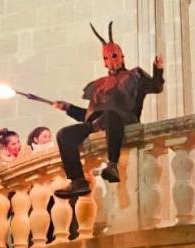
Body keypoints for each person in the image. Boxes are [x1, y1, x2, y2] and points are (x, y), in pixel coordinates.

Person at [52, 22, 164, 198]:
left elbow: (156, 87)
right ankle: (78, 181)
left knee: (110, 115)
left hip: (122, 119)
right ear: (103, 62)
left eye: (114, 56)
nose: (111, 61)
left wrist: (158, 70)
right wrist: (68, 108)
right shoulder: (98, 85)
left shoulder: (135, 76)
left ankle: (112, 164)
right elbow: (89, 115)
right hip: (98, 124)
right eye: (106, 58)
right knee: (64, 134)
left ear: (122, 56)